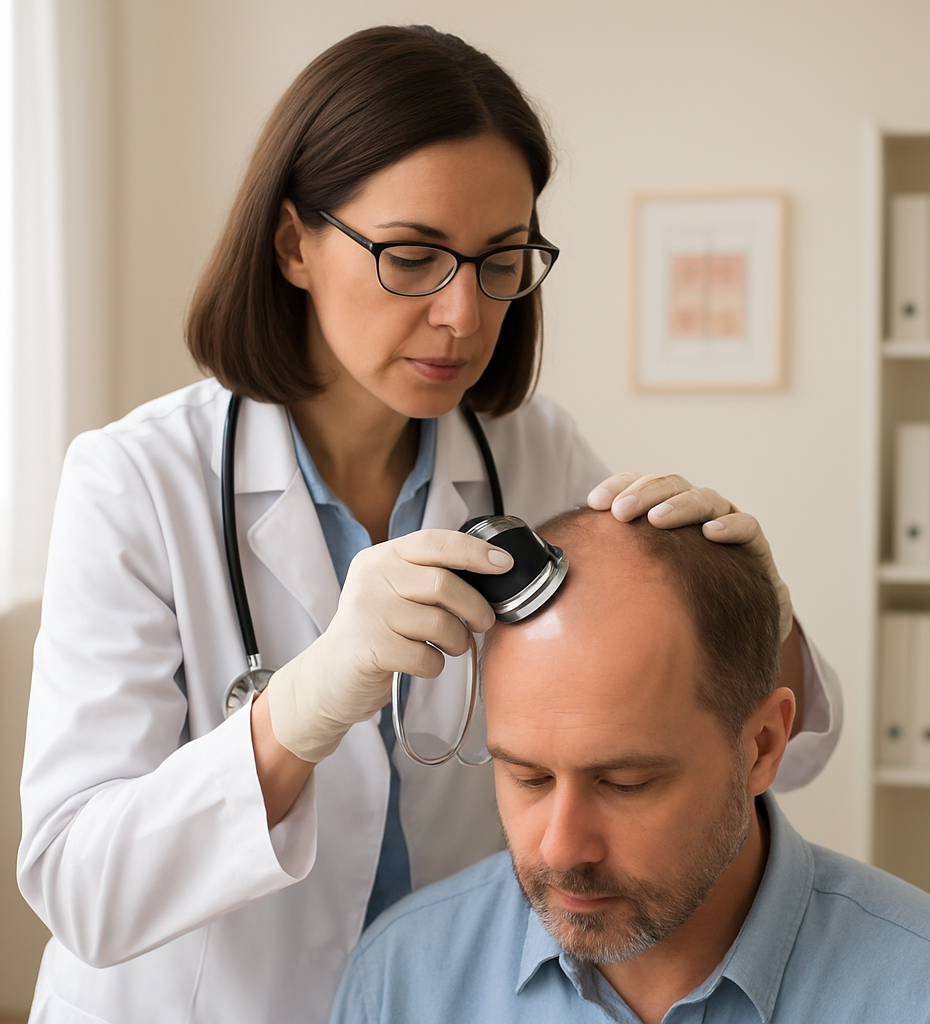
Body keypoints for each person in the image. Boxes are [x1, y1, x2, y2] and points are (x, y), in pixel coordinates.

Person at [18, 25, 839, 1024]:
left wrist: (762, 613)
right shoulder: (138, 481)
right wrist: (302, 707)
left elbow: (766, 749)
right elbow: (78, 886)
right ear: (292, 245)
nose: (463, 313)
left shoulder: (530, 454)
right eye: (413, 256)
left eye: (500, 261)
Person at [332, 509, 930, 1024]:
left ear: (761, 746)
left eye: (625, 783)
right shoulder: (402, 981)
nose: (561, 847)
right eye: (527, 777)